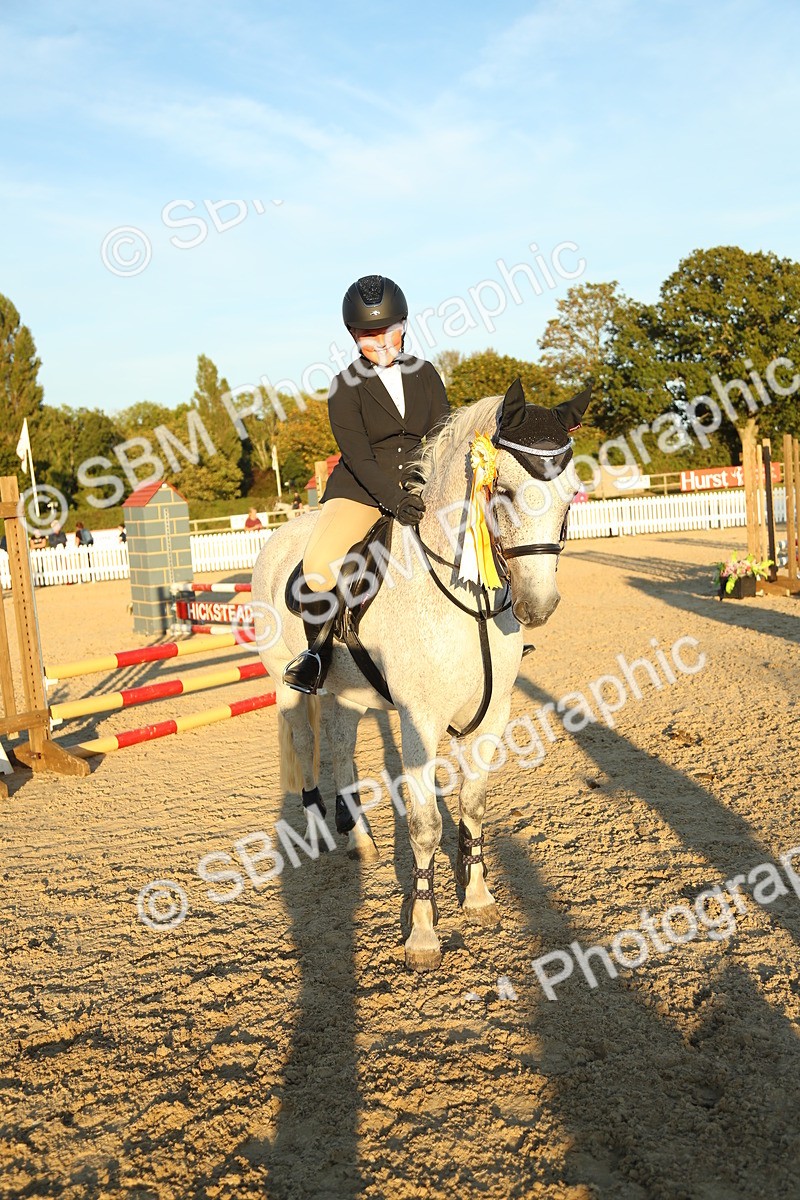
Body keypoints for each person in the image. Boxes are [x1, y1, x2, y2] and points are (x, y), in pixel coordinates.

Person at [283, 273, 450, 694]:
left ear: (404, 325)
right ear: (353, 335)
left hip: (419, 484)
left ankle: (492, 629)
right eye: (367, 334)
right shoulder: (344, 387)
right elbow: (356, 456)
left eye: (387, 331)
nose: (379, 341)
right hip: (360, 491)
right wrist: (394, 499)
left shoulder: (426, 374)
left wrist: (424, 488)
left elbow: (442, 436)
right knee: (319, 565)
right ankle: (316, 656)